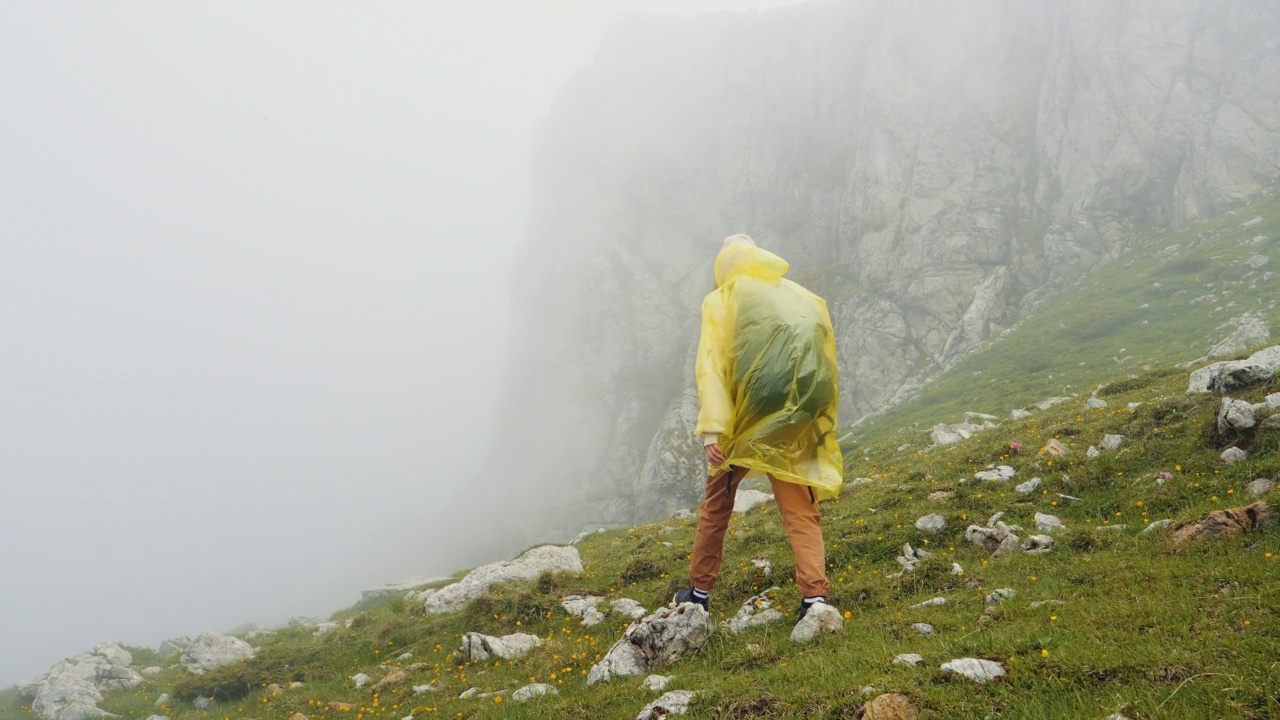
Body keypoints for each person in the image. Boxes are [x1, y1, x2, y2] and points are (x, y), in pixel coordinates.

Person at [672, 234, 844, 620]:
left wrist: (713, 432)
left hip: (745, 415)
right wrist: (814, 417)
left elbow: (712, 367)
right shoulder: (802, 295)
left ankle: (699, 593)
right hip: (798, 411)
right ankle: (814, 597)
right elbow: (825, 353)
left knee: (718, 502)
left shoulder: (724, 298)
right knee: (800, 507)